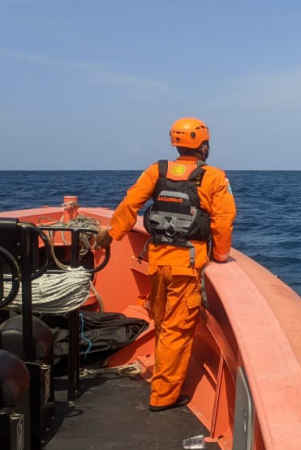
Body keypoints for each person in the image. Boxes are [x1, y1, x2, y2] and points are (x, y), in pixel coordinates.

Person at [95, 117, 236, 411]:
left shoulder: (157, 171)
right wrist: (220, 255)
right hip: (186, 265)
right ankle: (163, 397)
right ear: (204, 145)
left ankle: (163, 381)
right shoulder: (213, 177)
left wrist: (112, 234)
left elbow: (129, 205)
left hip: (157, 261)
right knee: (176, 330)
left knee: (162, 324)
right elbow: (223, 221)